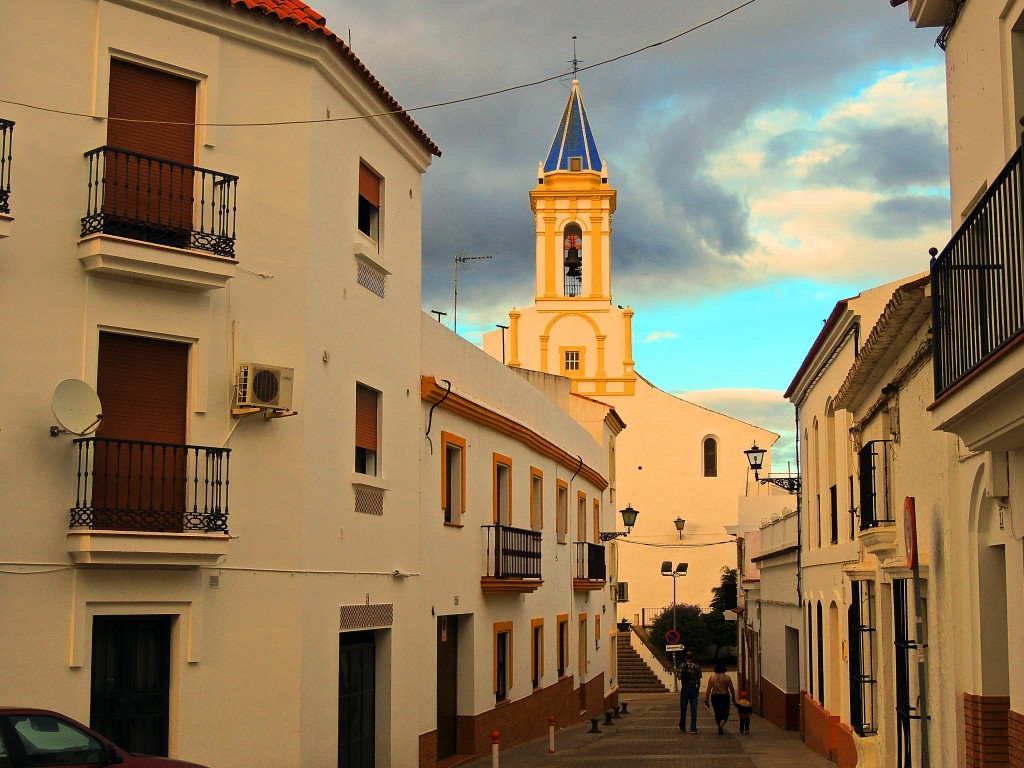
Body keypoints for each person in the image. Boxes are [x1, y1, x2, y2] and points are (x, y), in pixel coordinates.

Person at [704, 662, 735, 734]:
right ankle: (721, 725)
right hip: (725, 696)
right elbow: (731, 688)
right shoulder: (727, 677)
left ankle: (719, 725)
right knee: (725, 711)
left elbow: (709, 688)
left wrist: (706, 698)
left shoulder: (712, 677)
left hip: (715, 696)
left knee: (717, 711)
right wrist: (733, 697)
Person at [678, 651, 703, 733]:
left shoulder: (682, 665)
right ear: (692, 658)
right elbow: (699, 680)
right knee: (694, 709)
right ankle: (693, 728)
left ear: (685, 658)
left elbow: (679, 677)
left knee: (683, 708)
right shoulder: (696, 667)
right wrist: (697, 689)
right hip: (693, 688)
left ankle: (682, 726)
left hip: (685, 688)